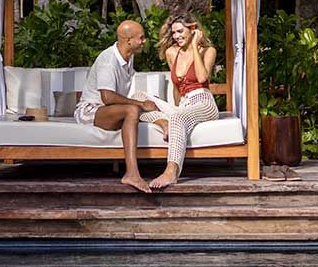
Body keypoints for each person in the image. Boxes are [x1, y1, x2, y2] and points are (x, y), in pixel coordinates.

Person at [133, 13, 219, 190]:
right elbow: (176, 87)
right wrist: (175, 109)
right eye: (173, 33)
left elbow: (202, 77)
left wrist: (194, 46)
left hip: (204, 102)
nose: (176, 36)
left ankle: (171, 171)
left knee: (178, 118)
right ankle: (165, 123)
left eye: (180, 31)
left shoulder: (207, 50)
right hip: (184, 105)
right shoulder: (171, 53)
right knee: (137, 98)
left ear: (193, 29)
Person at [74, 19, 157, 193]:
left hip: (110, 111)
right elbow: (108, 97)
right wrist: (140, 104)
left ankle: (166, 127)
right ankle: (132, 174)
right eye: (141, 38)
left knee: (140, 109)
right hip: (89, 111)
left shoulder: (129, 56)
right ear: (128, 40)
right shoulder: (108, 60)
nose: (144, 41)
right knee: (133, 109)